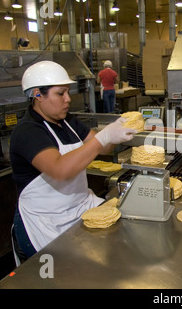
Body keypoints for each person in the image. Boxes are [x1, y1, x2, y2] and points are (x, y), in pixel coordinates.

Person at [10, 60, 136, 259]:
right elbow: (60, 170)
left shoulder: (68, 121)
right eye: (60, 93)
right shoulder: (28, 131)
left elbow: (102, 147)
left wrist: (117, 132)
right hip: (46, 222)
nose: (68, 99)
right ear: (37, 95)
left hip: (80, 207)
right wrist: (103, 137)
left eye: (68, 92)